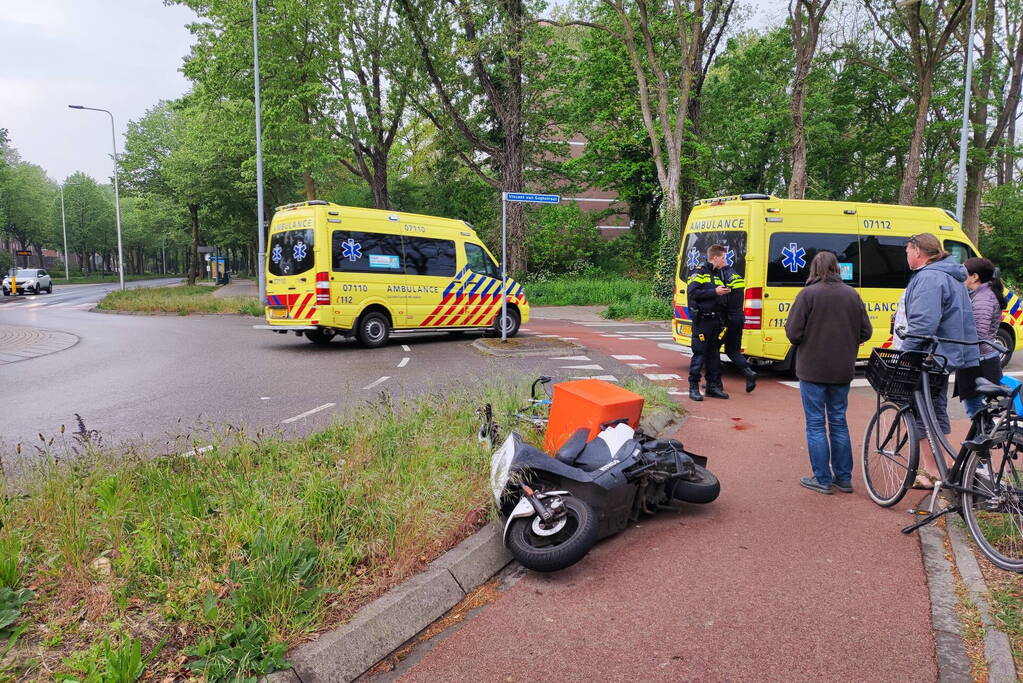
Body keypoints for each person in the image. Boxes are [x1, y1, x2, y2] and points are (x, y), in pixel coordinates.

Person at [785, 251, 872, 495]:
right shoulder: (852, 294)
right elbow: (866, 331)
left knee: (815, 424)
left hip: (812, 368)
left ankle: (822, 478)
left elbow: (793, 332)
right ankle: (843, 478)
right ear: (836, 268)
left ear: (814, 268)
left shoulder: (808, 294)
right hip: (842, 368)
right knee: (838, 422)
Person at [900, 233, 978, 489]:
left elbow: (924, 323)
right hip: (947, 354)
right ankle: (944, 465)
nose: (907, 256)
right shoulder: (950, 276)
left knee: (921, 411)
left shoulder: (929, 277)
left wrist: (907, 353)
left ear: (919, 252)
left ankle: (932, 471)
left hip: (931, 355)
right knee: (937, 408)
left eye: (908, 251)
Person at [955, 257, 1006, 418]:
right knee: (979, 409)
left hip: (979, 361)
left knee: (975, 409)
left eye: (964, 273)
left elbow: (978, 334)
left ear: (974, 277)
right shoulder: (982, 293)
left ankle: (979, 440)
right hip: (983, 358)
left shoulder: (983, 299)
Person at [687, 245, 730, 401]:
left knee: (714, 355)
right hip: (702, 321)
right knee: (699, 354)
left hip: (714, 321)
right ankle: (693, 388)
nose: (725, 261)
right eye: (723, 258)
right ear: (715, 258)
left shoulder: (717, 274)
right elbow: (693, 292)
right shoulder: (699, 272)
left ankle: (712, 387)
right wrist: (715, 292)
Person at [719, 260, 758, 392]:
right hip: (738, 317)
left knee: (712, 350)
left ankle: (714, 382)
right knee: (733, 351)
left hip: (727, 320)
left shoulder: (722, 276)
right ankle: (749, 373)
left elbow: (722, 300)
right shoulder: (735, 275)